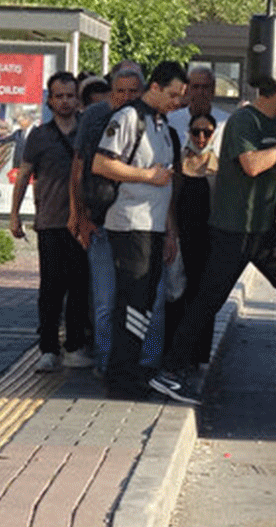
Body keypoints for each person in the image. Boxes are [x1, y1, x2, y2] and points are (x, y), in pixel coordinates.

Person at [150, 67, 276, 404]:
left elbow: (272, 165)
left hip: (262, 226)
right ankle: (171, 370)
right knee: (208, 299)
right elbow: (251, 165)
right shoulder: (243, 122)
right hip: (233, 228)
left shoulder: (275, 123)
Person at [93, 61, 187, 399]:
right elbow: (101, 162)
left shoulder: (161, 124)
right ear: (156, 87)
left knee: (144, 301)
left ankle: (134, 368)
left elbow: (167, 185)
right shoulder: (128, 118)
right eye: (173, 94)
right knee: (132, 300)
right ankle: (121, 375)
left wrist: (170, 230)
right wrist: (148, 176)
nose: (178, 102)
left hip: (153, 224)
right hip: (129, 223)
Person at [10, 71, 92, 372]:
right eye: (59, 96)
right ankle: (48, 348)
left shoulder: (87, 129)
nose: (66, 101)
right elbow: (23, 175)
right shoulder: (40, 135)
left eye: (70, 95)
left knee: (80, 286)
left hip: (82, 222)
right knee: (51, 288)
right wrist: (15, 215)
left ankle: (74, 345)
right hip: (50, 221)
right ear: (50, 100)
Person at [68, 64, 145, 374]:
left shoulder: (150, 119)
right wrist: (78, 215)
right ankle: (105, 362)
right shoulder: (96, 117)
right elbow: (78, 169)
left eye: (132, 92)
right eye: (120, 92)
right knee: (104, 300)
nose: (126, 98)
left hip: (138, 223)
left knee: (139, 298)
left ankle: (141, 362)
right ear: (111, 93)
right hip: (100, 220)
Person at [164, 113, 219, 358]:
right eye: (196, 132)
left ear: (213, 135)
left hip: (207, 240)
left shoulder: (220, 167)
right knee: (175, 295)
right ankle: (173, 351)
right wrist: (171, 234)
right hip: (180, 236)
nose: (200, 137)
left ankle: (199, 354)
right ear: (188, 132)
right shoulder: (177, 163)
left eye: (206, 132)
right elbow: (170, 201)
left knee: (202, 295)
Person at [168, 66, 231, 158]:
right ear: (187, 89)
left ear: (213, 90)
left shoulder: (226, 122)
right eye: (195, 86)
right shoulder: (171, 121)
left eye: (205, 87)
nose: (200, 92)